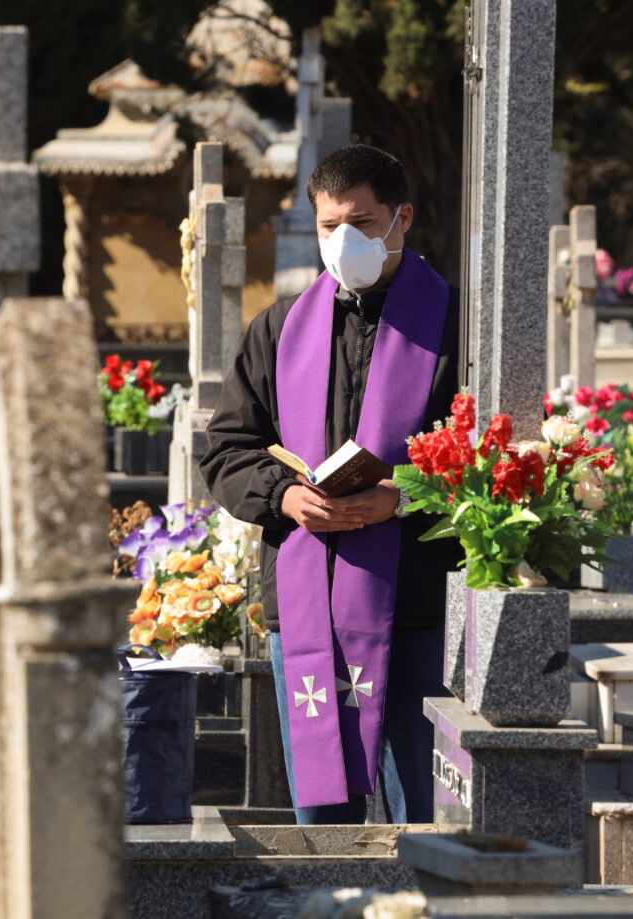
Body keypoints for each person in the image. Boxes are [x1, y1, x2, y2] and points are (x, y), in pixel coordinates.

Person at [200, 144, 461, 825]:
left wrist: (402, 494)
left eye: (364, 223)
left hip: (414, 601)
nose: (344, 240)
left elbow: (482, 453)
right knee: (323, 821)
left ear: (402, 218)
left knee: (421, 816)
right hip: (306, 596)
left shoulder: (455, 325)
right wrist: (284, 496)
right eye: (328, 225)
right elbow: (228, 448)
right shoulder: (281, 328)